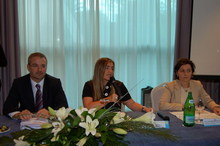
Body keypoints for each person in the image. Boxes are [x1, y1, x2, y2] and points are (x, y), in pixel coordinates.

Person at [3, 52, 68, 120]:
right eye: (35, 65)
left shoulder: (54, 83)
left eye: (43, 66)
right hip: (26, 123)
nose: (40, 70)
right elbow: (7, 108)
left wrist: (51, 113)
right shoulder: (19, 83)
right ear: (28, 67)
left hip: (49, 123)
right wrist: (18, 114)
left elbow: (64, 106)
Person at [82, 57, 152, 112]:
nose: (110, 71)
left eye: (112, 68)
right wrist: (108, 99)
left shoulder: (118, 85)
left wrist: (144, 109)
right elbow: (88, 107)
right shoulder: (89, 85)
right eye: (107, 68)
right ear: (99, 70)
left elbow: (131, 104)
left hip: (115, 123)